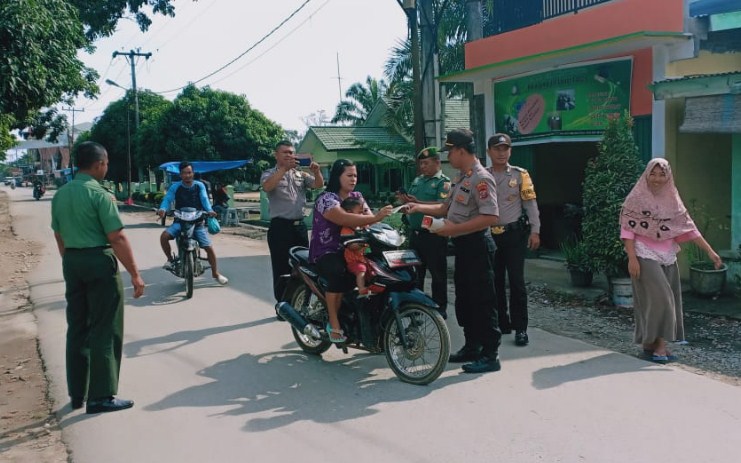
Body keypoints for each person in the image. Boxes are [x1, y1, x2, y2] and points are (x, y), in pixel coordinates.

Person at [50, 141, 145, 414]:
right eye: (105, 164)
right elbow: (117, 236)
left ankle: (78, 393)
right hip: (98, 261)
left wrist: (71, 260)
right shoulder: (100, 194)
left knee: (78, 326)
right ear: (100, 164)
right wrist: (135, 275)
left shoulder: (61, 194)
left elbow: (58, 234)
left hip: (72, 260)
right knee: (105, 327)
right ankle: (101, 396)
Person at [405, 129, 502, 374]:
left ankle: (491, 354)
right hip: (463, 246)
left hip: (478, 246)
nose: (448, 156)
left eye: (450, 151)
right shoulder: (461, 178)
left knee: (483, 301)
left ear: (461, 150)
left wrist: (453, 230)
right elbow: (445, 207)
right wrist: (418, 207)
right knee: (465, 300)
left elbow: (490, 217)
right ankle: (472, 346)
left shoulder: (481, 178)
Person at [620, 158, 722, 363]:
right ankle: (660, 346)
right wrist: (632, 257)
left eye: (662, 174)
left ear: (668, 176)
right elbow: (627, 229)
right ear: (647, 174)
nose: (657, 179)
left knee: (668, 299)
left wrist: (711, 252)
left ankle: (648, 343)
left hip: (668, 255)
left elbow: (688, 228)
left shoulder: (673, 200)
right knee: (662, 298)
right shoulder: (636, 198)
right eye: (653, 174)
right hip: (643, 253)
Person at [309, 159, 393, 343]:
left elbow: (369, 219)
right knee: (339, 274)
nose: (353, 179)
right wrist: (374, 217)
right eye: (349, 175)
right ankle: (334, 322)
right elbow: (344, 218)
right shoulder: (327, 199)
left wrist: (382, 224)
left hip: (355, 248)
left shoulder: (357, 196)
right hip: (328, 250)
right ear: (337, 176)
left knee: (379, 270)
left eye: (355, 175)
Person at [486, 133, 541, 346]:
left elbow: (530, 204)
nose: (501, 153)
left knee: (517, 282)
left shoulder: (520, 175)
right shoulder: (483, 175)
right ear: (489, 151)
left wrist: (535, 230)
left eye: (505, 149)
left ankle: (521, 328)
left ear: (510, 151)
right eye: (497, 149)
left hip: (514, 235)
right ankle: (502, 322)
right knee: (495, 281)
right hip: (490, 235)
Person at [261, 140, 324, 302]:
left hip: (299, 227)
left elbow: (318, 184)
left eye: (291, 152)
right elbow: (267, 187)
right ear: (277, 155)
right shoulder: (270, 173)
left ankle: (300, 303)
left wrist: (316, 172)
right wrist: (283, 169)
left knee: (303, 267)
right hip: (280, 228)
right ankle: (282, 304)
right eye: (285, 152)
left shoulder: (300, 174)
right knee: (281, 267)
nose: (289, 155)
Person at [396, 147, 451, 317]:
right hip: (416, 234)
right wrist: (405, 204)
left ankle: (439, 307)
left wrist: (418, 203)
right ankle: (416, 306)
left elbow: (442, 206)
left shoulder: (443, 182)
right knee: (415, 273)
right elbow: (413, 202)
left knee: (437, 274)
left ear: (437, 162)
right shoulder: (418, 181)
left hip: (434, 235)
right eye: (421, 163)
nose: (423, 167)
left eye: (426, 163)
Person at [157, 161, 229, 285]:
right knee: (164, 237)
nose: (187, 175)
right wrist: (163, 209)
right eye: (184, 173)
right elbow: (168, 198)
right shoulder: (175, 187)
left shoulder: (199, 186)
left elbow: (204, 199)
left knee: (209, 248)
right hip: (180, 222)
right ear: (180, 175)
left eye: (189, 173)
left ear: (193, 173)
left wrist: (210, 210)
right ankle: (169, 260)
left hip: (197, 222)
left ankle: (215, 273)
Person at [340, 196, 372, 297]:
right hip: (353, 260)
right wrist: (363, 243)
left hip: (363, 258)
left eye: (363, 212)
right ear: (349, 213)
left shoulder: (362, 226)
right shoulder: (346, 229)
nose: (362, 215)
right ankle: (361, 289)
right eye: (359, 212)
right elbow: (351, 246)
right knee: (361, 269)